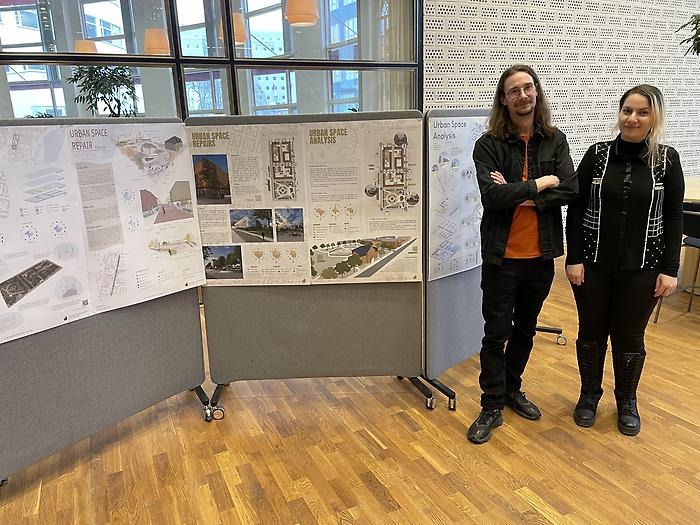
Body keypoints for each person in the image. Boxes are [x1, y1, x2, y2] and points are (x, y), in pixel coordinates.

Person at [565, 84, 684, 436]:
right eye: (627, 111)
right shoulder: (597, 154)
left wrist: (670, 269)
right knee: (590, 333)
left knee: (630, 337)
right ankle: (589, 395)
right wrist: (574, 258)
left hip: (644, 268)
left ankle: (626, 400)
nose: (632, 118)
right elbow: (576, 209)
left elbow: (674, 216)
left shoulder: (667, 160)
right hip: (593, 265)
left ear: (654, 119)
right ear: (619, 114)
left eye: (642, 113)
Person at [468, 65, 577, 444]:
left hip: (541, 257)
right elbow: (492, 197)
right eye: (514, 90)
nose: (523, 95)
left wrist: (520, 192)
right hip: (502, 258)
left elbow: (570, 189)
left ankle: (512, 390)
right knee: (495, 334)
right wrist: (540, 184)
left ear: (537, 92)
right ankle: (490, 405)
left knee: (526, 329)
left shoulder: (555, 140)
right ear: (504, 99)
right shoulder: (488, 145)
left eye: (528, 87)